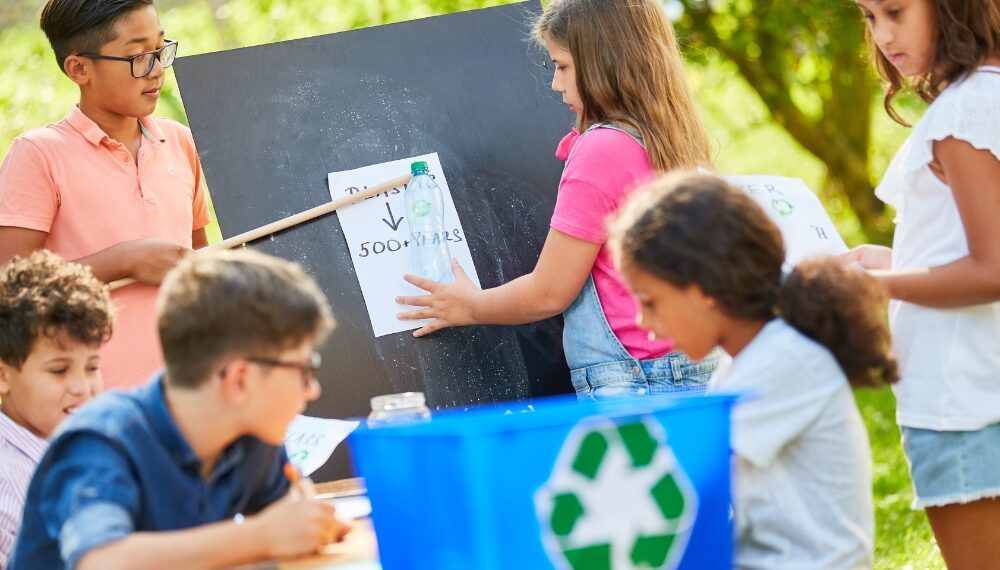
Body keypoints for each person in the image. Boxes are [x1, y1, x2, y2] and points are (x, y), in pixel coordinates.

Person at [397, 0, 720, 399]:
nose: (555, 83)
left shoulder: (603, 149)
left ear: (605, 61)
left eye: (562, 65)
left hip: (636, 383)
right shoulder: (671, 143)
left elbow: (549, 291)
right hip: (692, 370)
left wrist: (469, 306)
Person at [610, 173, 898, 569]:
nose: (643, 320)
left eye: (651, 302)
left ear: (703, 292)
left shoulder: (781, 361)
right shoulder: (744, 363)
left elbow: (688, 486)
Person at [9, 250, 349, 570]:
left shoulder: (250, 434)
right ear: (239, 380)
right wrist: (262, 536)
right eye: (304, 371)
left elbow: (285, 513)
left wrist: (304, 519)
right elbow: (100, 561)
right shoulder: (101, 441)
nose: (312, 389)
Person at [843, 1, 1000, 567]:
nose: (882, 35)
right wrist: (892, 263)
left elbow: (993, 268)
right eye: (868, 18)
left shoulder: (965, 110)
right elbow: (965, 249)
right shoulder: (986, 95)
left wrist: (878, 289)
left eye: (895, 11)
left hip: (958, 404)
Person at [0, 0, 211, 390]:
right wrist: (122, 261)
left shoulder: (178, 141)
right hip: (91, 405)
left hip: (190, 392)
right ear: (79, 68)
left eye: (161, 49)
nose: (157, 69)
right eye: (137, 57)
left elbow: (199, 261)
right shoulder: (39, 154)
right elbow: (8, 289)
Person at [0, 250, 112, 569]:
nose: (82, 387)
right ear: (3, 375)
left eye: (92, 367)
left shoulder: (90, 445)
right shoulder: (8, 484)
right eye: (59, 371)